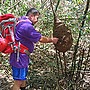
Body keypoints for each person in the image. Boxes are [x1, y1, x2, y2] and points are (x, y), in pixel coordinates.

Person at [10, 8, 58, 90]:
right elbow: (40, 39)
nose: (37, 20)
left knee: (23, 79)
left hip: (21, 56)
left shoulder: (21, 21)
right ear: (31, 16)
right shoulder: (26, 26)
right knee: (18, 82)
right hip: (19, 57)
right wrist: (52, 40)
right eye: (37, 17)